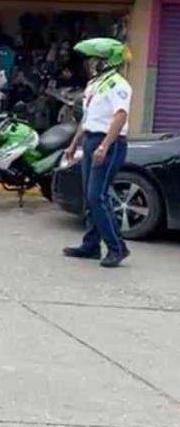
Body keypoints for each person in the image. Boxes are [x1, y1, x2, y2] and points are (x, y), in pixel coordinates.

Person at [62, 37, 133, 269]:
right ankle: (91, 246)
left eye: (98, 59)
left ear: (109, 61)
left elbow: (120, 115)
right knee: (89, 197)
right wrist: (74, 143)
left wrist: (104, 145)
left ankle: (117, 247)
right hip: (92, 139)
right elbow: (87, 118)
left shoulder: (119, 85)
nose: (93, 63)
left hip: (110, 143)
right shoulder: (95, 84)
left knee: (97, 196)